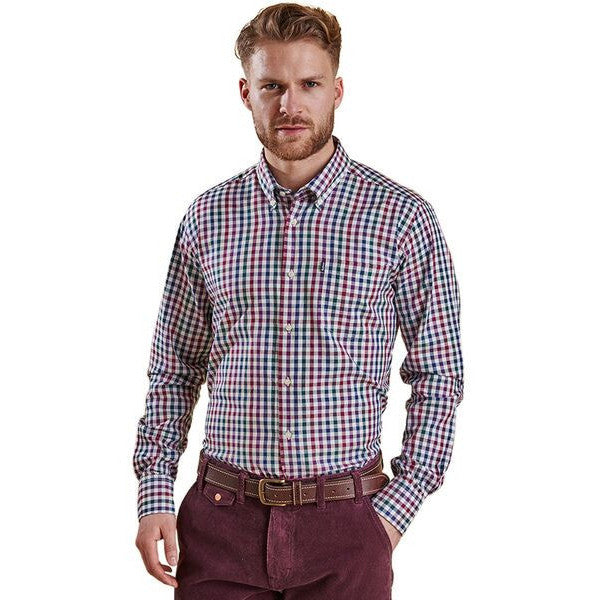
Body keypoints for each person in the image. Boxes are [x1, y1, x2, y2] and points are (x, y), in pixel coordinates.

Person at [133, 3, 464, 598]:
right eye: (272, 86)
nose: (291, 104)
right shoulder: (207, 218)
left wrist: (394, 511)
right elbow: (174, 368)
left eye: (309, 84)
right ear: (246, 93)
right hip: (220, 522)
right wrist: (155, 492)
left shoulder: (401, 218)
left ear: (337, 90)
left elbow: (439, 374)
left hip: (348, 525)